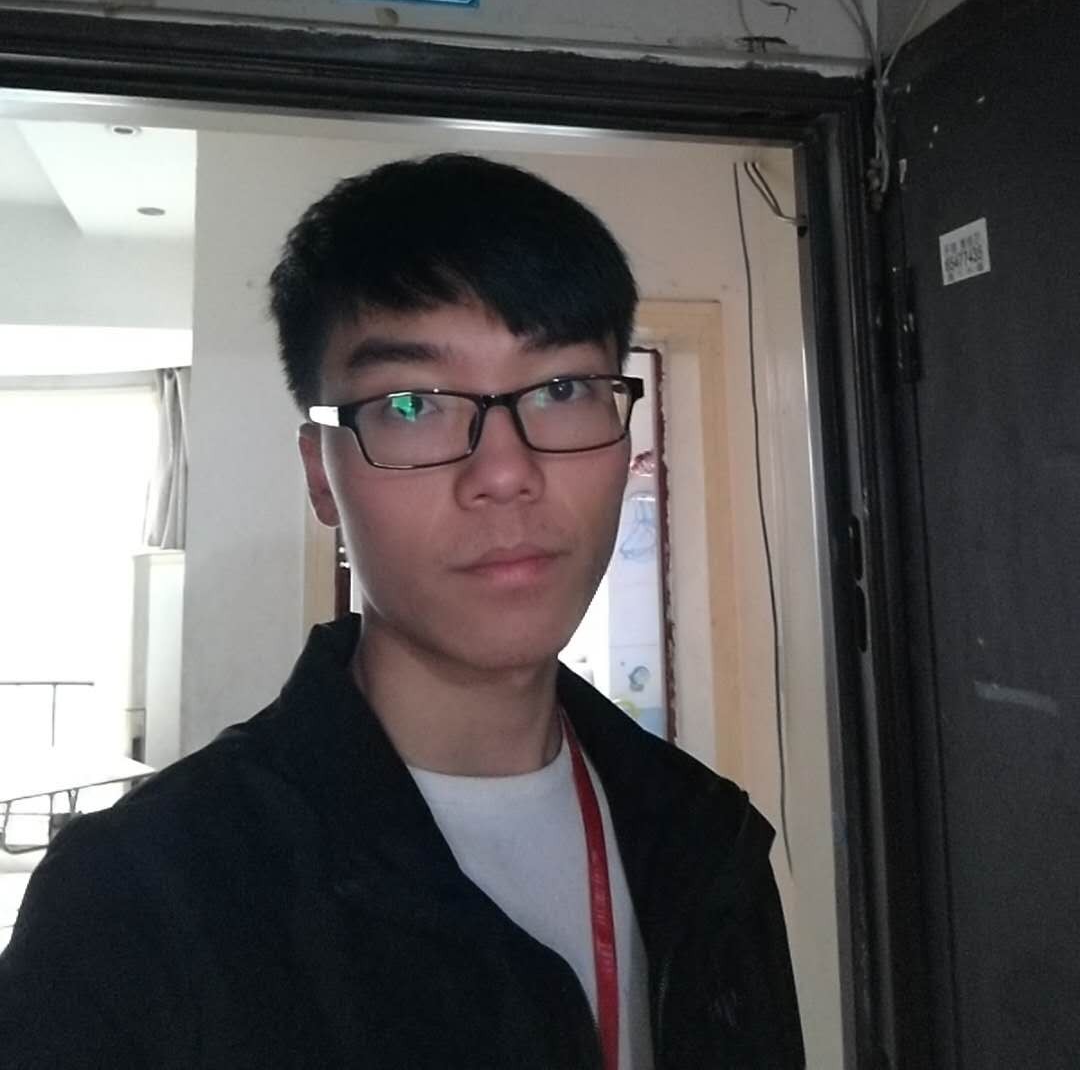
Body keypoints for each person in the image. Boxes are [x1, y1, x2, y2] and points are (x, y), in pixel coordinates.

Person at [0, 153, 804, 1068]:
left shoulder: (709, 841)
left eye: (562, 389)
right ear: (322, 475)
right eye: (412, 403)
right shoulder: (135, 900)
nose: (505, 472)